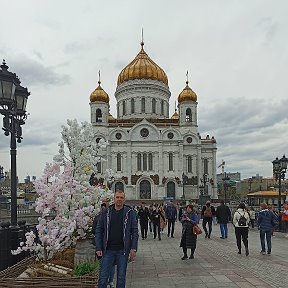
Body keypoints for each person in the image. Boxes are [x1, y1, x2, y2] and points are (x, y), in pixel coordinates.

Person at [95, 191, 138, 288]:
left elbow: (134, 231)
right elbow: (99, 230)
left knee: (121, 278)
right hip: (107, 250)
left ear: (124, 199)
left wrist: (133, 248)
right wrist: (98, 247)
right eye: (117, 197)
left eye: (121, 197)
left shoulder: (129, 213)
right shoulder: (106, 212)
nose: (119, 199)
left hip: (122, 251)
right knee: (103, 278)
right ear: (114, 199)